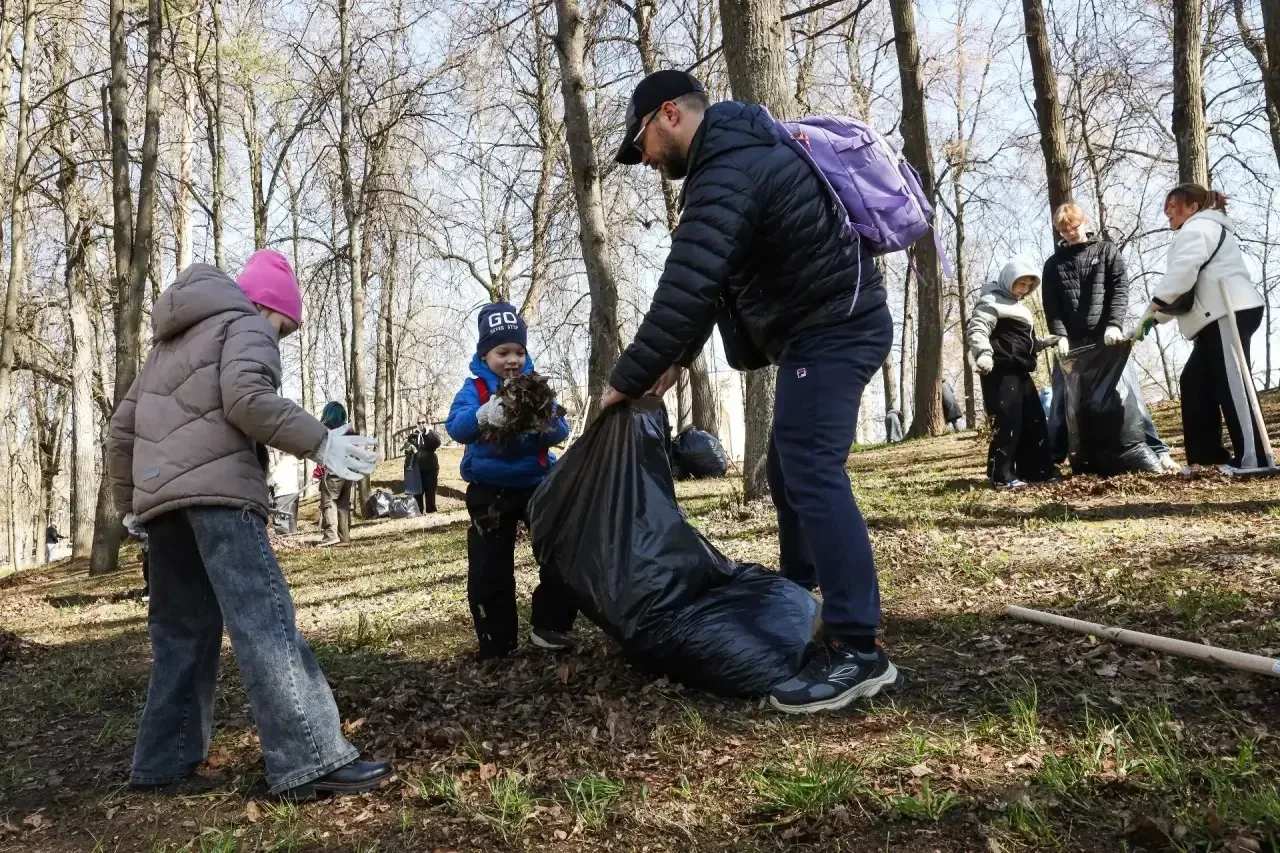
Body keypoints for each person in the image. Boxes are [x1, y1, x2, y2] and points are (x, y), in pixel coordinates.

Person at [601, 69, 897, 714]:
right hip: (820, 331)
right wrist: (674, 359)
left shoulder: (729, 167)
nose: (645, 158)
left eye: (641, 141)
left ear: (670, 114)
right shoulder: (734, 158)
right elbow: (713, 281)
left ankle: (858, 648)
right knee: (789, 467)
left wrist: (625, 381)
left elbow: (686, 283)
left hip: (836, 328)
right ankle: (802, 597)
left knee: (811, 469)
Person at [107, 249, 390, 801]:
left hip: (162, 508)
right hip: (221, 497)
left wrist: (131, 505)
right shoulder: (245, 324)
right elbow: (247, 399)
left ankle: (162, 761)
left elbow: (122, 430)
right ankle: (309, 758)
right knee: (263, 621)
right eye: (283, 327)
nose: (278, 338)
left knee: (180, 633)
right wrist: (319, 441)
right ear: (268, 307)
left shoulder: (166, 347)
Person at [446, 302, 578, 660]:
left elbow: (560, 430)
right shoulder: (474, 389)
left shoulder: (534, 386)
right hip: (490, 492)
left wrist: (538, 423)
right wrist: (484, 415)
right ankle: (497, 641)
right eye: (502, 352)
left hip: (538, 485)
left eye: (519, 352)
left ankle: (551, 626)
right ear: (485, 354)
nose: (512, 360)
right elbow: (456, 426)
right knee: (489, 567)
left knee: (561, 551)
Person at [1134, 184, 1268, 470]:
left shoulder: (1198, 228)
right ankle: (1206, 460)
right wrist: (1155, 318)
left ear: (1193, 208)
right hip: (1213, 316)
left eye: (1174, 206)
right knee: (1195, 382)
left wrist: (1150, 312)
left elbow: (1181, 276)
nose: (1167, 211)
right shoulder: (1198, 229)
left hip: (1228, 310)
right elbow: (1186, 293)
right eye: (1166, 207)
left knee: (1233, 385)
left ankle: (1254, 457)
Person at [1042, 203, 1179, 472]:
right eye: (1064, 230)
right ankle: (1052, 460)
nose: (1070, 233)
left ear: (1085, 222)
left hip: (1107, 339)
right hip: (1072, 343)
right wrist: (1060, 336)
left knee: (1131, 397)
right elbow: (1052, 305)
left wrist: (1114, 325)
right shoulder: (1054, 264)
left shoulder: (1106, 251)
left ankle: (1159, 452)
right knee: (1061, 400)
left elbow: (1119, 289)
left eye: (1074, 227)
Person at [968, 257, 1061, 489]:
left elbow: (1021, 342)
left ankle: (1037, 471)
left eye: (1029, 285)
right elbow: (978, 328)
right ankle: (1002, 475)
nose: (1024, 289)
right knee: (1008, 420)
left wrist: (1042, 343)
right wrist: (983, 354)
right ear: (1009, 280)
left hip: (1021, 370)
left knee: (1034, 419)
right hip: (999, 370)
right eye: (1021, 283)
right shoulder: (991, 301)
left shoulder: (1019, 308)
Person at [315, 401, 354, 547]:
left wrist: (318, 472)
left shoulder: (325, 431)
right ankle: (344, 537)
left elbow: (321, 454)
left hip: (333, 469)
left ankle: (331, 535)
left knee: (329, 502)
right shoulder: (349, 430)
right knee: (343, 504)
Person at [404, 418, 441, 514]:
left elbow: (437, 443)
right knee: (417, 492)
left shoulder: (431, 434)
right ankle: (419, 511)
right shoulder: (413, 436)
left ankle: (431, 511)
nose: (421, 424)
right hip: (416, 467)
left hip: (430, 467)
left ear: (427, 423)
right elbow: (408, 452)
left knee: (430, 490)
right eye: (419, 423)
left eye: (423, 422)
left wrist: (428, 433)